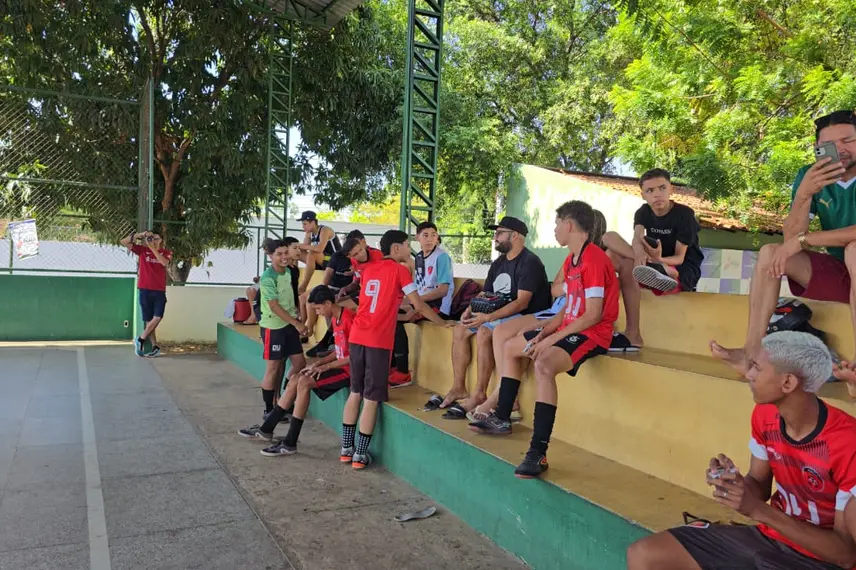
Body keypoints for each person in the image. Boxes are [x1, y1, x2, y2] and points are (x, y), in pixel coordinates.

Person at [627, 331, 856, 570]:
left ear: (787, 382)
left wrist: (758, 510)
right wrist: (735, 485)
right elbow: (758, 484)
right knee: (645, 554)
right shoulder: (765, 414)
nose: (749, 374)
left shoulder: (847, 441)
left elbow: (845, 555)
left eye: (757, 367)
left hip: (819, 560)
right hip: (770, 539)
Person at [469, 201, 619, 479]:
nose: (555, 229)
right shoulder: (572, 260)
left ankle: (538, 452)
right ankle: (502, 416)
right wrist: (546, 331)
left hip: (592, 333)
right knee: (511, 346)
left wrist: (552, 340)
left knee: (544, 364)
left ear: (569, 225)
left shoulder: (595, 259)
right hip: (570, 326)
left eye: (557, 224)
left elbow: (593, 315)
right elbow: (569, 307)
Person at [711, 110, 856, 375]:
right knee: (770, 252)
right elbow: (791, 238)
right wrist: (804, 194)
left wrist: (805, 240)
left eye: (848, 140)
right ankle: (751, 353)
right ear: (817, 147)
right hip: (844, 274)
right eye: (829, 144)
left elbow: (801, 240)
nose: (839, 150)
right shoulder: (810, 175)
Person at [341, 230, 453, 469]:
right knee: (371, 398)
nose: (409, 249)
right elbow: (418, 304)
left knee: (355, 392)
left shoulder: (369, 269)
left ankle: (346, 449)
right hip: (377, 340)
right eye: (406, 245)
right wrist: (443, 323)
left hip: (357, 335)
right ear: (395, 248)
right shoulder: (400, 270)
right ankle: (360, 455)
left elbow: (382, 300)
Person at [440, 216, 552, 417]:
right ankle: (459, 387)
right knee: (460, 329)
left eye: (499, 233)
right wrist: (470, 309)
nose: (495, 238)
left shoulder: (530, 262)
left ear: (515, 236)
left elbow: (522, 302)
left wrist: (488, 318)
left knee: (484, 331)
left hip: (523, 315)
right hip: (497, 314)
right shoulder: (499, 263)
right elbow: (486, 292)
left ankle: (482, 394)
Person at [241, 285, 355, 453]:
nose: (317, 313)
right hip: (339, 365)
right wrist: (318, 363)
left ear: (328, 303)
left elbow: (354, 357)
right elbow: (339, 351)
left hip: (350, 371)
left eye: (318, 308)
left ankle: (290, 442)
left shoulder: (350, 320)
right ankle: (267, 429)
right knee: (296, 378)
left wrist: (326, 366)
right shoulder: (335, 319)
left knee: (304, 382)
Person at [602, 168, 703, 350]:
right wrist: (640, 254)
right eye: (650, 191)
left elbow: (680, 258)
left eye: (662, 188)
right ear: (643, 195)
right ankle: (602, 322)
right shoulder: (643, 212)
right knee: (609, 244)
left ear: (671, 189)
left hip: (681, 269)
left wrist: (659, 259)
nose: (657, 194)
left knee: (631, 264)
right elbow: (637, 237)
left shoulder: (685, 215)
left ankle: (662, 274)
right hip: (651, 265)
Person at [237, 238, 309, 435]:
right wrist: (297, 323)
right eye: (279, 254)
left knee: (300, 363)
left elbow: (289, 297)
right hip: (273, 327)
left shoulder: (288, 272)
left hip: (289, 324)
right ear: (270, 256)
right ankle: (269, 409)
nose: (284, 257)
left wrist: (296, 314)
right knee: (273, 368)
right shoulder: (268, 277)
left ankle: (284, 397)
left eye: (286, 253)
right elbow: (274, 306)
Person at [120, 230, 172, 357]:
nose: (153, 240)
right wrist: (140, 235)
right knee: (149, 320)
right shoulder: (142, 251)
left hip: (159, 291)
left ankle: (141, 339)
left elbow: (164, 262)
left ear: (161, 241)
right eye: (151, 238)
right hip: (145, 289)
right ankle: (155, 347)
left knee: (158, 316)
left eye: (156, 238)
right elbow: (123, 242)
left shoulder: (166, 253)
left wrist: (152, 248)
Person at [303, 236, 355, 358]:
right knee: (310, 298)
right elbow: (327, 274)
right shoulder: (337, 256)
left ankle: (329, 341)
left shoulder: (359, 259)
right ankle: (309, 330)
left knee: (333, 306)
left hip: (350, 292)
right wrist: (322, 290)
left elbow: (357, 283)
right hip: (334, 289)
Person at [400, 221, 455, 321]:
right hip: (421, 303)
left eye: (433, 235)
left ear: (437, 237)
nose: (430, 239)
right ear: (417, 237)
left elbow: (443, 290)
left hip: (438, 307)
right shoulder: (418, 257)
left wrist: (414, 300)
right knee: (394, 309)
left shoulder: (442, 257)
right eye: (425, 235)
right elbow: (418, 286)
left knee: (401, 313)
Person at [295, 211, 341, 297]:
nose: (303, 227)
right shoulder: (309, 234)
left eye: (305, 224)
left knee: (313, 253)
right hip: (322, 261)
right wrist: (295, 247)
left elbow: (320, 248)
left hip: (334, 262)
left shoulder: (325, 230)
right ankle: (293, 277)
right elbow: (303, 248)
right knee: (297, 253)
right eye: (303, 224)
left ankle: (303, 285)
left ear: (313, 222)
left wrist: (302, 245)